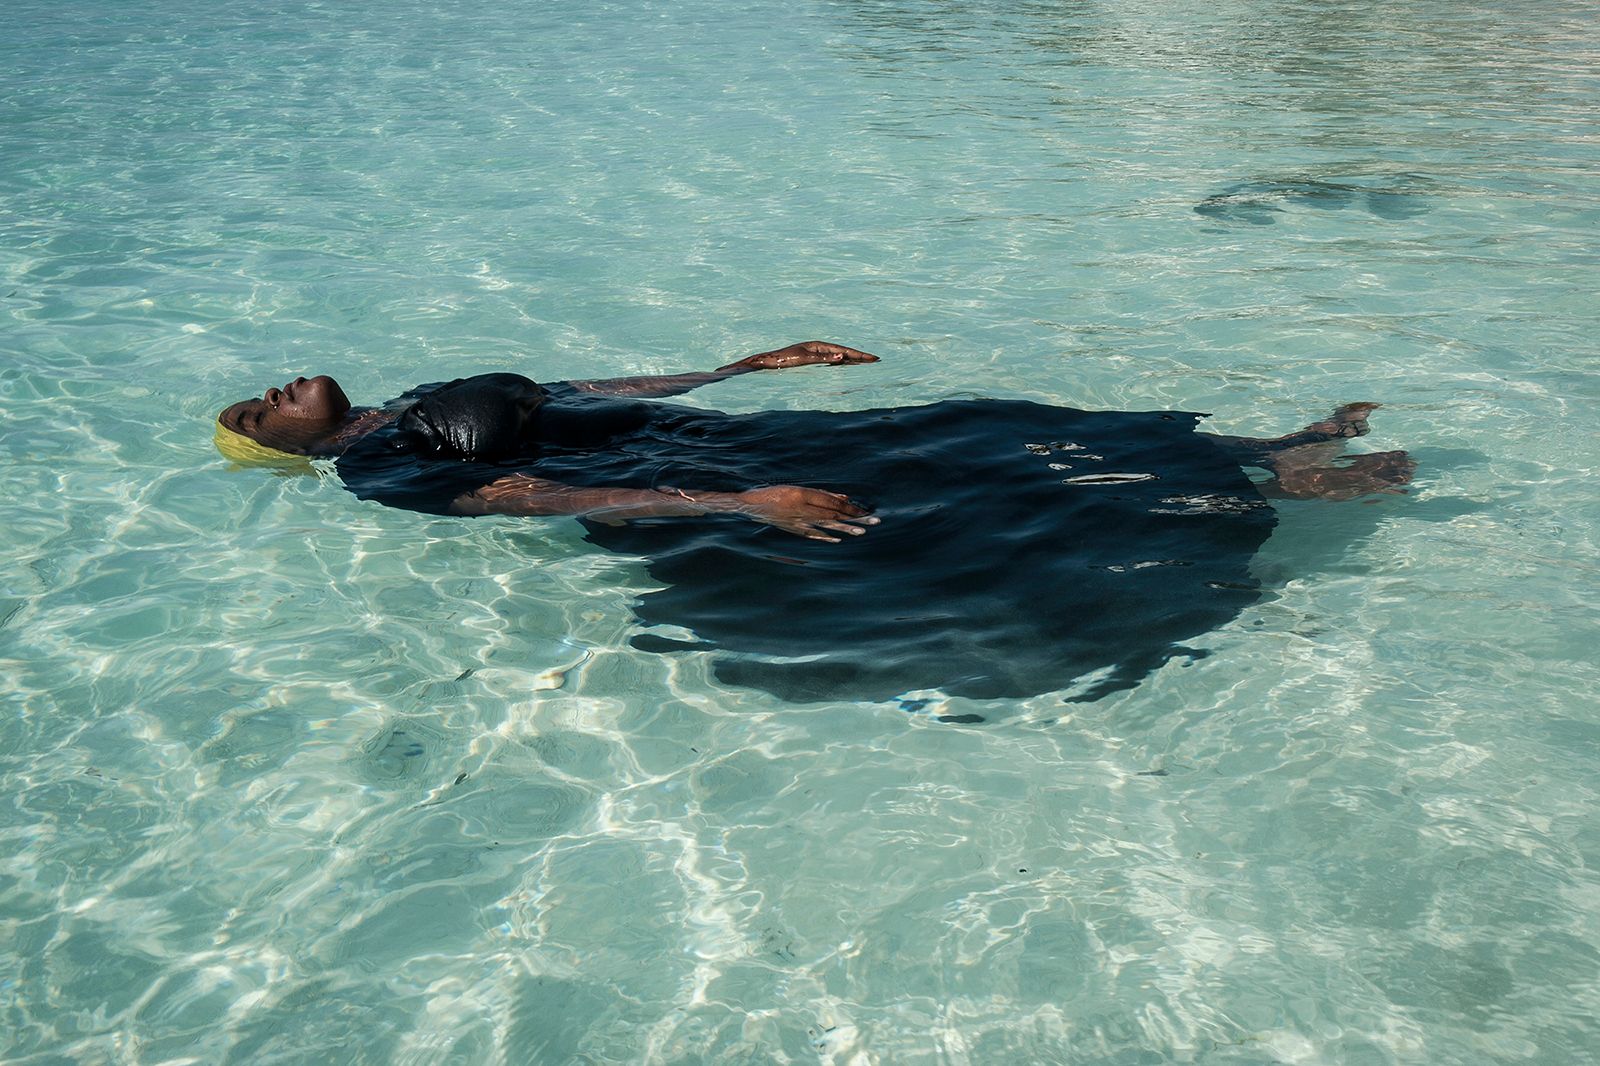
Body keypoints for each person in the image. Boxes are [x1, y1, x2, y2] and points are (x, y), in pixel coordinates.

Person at [215, 342, 1415, 703]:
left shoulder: (416, 396)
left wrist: (745, 362)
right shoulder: (373, 470)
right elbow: (535, 492)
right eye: (255, 413)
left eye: (264, 385)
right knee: (953, 506)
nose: (271, 389)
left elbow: (587, 398)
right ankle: (1270, 491)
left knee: (978, 420)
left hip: (714, 444)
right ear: (284, 448)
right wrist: (740, 506)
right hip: (685, 490)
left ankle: (1265, 449)